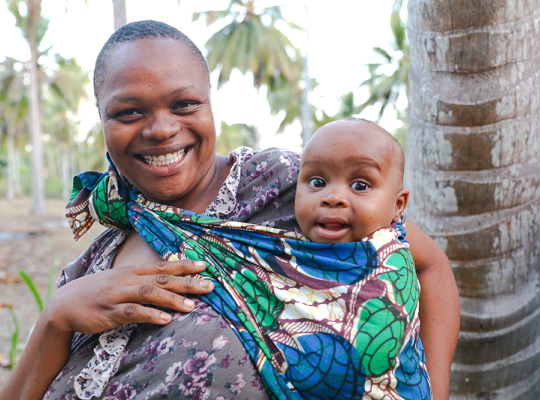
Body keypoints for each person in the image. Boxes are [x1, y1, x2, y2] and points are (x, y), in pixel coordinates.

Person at [0, 20, 459, 400]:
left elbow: (428, 265)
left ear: (209, 103)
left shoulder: (288, 188)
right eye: (129, 113)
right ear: (102, 119)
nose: (161, 129)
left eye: (184, 104)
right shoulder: (91, 266)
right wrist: (56, 317)